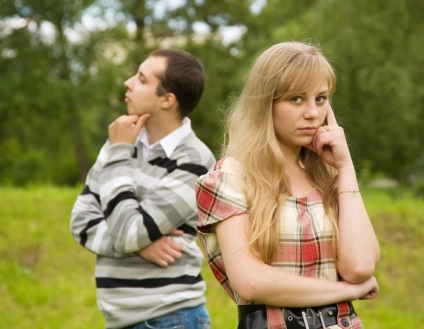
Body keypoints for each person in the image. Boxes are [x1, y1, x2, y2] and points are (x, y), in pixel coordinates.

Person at [195, 42, 380, 329]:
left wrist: (345, 168)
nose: (312, 113)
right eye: (296, 99)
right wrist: (346, 292)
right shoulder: (230, 177)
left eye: (321, 98)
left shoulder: (328, 174)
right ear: (265, 103)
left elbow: (360, 267)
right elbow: (251, 281)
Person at [70, 49, 215, 329]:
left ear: (167, 99)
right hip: (119, 321)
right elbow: (81, 221)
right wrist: (138, 247)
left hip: (171, 319)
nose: (128, 82)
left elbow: (130, 233)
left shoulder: (195, 160)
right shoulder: (120, 143)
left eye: (141, 79)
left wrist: (132, 237)